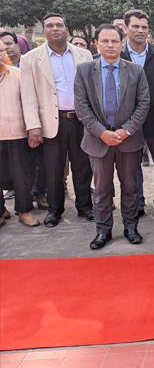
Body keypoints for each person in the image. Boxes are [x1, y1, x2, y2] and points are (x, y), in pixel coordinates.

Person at [74, 24, 150, 249]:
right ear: (96, 43)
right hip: (98, 141)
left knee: (130, 187)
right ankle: (103, 230)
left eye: (114, 41)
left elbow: (143, 104)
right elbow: (81, 106)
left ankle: (131, 227)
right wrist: (101, 132)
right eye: (104, 41)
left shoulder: (135, 70)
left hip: (129, 140)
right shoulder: (84, 70)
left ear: (121, 43)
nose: (110, 45)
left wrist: (125, 130)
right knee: (102, 189)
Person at [21, 13, 95, 227]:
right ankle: (55, 210)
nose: (55, 28)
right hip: (51, 123)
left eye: (60, 25)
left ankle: (85, 207)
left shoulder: (84, 56)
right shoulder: (31, 59)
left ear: (66, 29)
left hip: (82, 120)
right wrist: (33, 126)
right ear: (43, 31)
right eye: (50, 26)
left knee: (83, 166)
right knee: (53, 169)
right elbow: (28, 96)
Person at [119, 10, 154, 222]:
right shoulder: (119, 55)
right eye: (135, 26)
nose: (140, 31)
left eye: (144, 27)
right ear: (126, 28)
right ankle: (138, 202)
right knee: (133, 167)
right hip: (128, 123)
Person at [0, 43, 39, 227]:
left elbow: (30, 103)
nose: (0, 54)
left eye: (1, 50)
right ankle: (1, 211)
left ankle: (24, 210)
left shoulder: (17, 74)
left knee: (22, 174)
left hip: (17, 134)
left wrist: (32, 128)